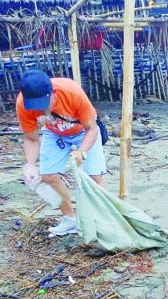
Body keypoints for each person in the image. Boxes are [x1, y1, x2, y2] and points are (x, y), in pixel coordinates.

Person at [17, 70, 106, 236]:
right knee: (49, 176)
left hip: (82, 132)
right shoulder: (22, 104)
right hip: (55, 133)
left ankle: (103, 219)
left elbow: (92, 129)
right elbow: (31, 139)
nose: (41, 111)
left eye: (44, 104)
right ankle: (70, 219)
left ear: (53, 93)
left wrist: (82, 151)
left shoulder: (71, 92)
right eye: (35, 106)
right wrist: (29, 164)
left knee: (94, 177)